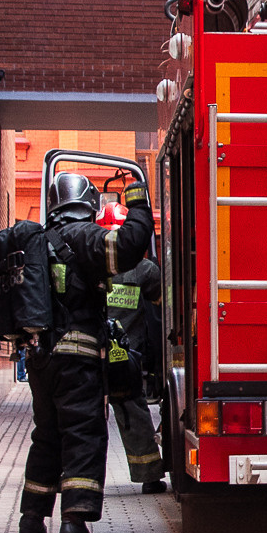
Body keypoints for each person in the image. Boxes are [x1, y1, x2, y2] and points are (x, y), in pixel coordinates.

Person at [18, 172, 152, 533]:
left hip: (41, 360)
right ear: (88, 205)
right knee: (84, 434)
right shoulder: (83, 236)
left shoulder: (38, 240)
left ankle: (32, 516)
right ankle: (75, 524)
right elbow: (129, 246)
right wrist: (139, 200)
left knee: (47, 434)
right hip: (77, 360)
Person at [98, 196, 167, 493]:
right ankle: (149, 477)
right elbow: (161, 309)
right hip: (127, 359)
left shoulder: (90, 264)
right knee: (134, 415)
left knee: (82, 418)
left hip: (91, 354)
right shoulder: (145, 271)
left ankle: (75, 480)